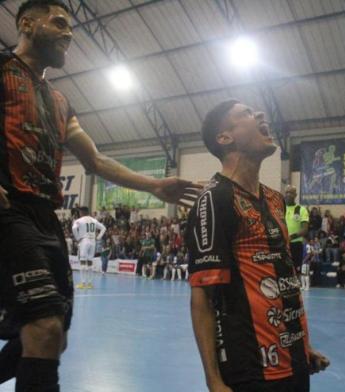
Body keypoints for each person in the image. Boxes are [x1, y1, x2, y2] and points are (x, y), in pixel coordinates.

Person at [0, 1, 201, 390]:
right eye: (58, 22)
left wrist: (154, 186)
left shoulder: (60, 101)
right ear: (26, 23)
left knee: (53, 336)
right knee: (44, 325)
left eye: (70, 26)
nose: (68, 32)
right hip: (10, 211)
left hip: (46, 220)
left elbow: (94, 160)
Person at [186, 100, 329, 392]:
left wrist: (303, 345)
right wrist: (213, 380)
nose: (261, 115)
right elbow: (203, 298)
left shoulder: (276, 200)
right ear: (225, 138)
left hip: (294, 361)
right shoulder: (214, 200)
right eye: (247, 114)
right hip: (250, 368)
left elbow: (284, 279)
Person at [72, 207, 106, 289]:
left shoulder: (79, 220)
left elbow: (73, 228)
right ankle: (90, 284)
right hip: (93, 241)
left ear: (81, 212)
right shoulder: (94, 220)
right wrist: (98, 237)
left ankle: (83, 283)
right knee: (90, 262)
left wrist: (77, 238)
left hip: (84, 241)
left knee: (83, 261)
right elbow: (104, 228)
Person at [285, 185, 309, 273]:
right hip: (281, 245)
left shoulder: (301, 209)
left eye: (291, 193)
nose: (288, 195)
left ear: (295, 195)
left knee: (295, 272)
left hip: (295, 245)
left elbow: (304, 229)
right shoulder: (279, 208)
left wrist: (290, 237)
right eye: (287, 192)